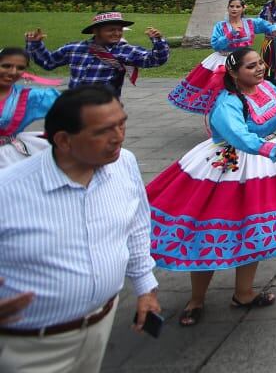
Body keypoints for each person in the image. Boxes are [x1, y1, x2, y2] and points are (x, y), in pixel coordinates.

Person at [145, 49, 276, 325]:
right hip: (227, 167)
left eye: (259, 63)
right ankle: (197, 298)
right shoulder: (227, 103)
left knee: (252, 229)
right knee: (208, 229)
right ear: (234, 73)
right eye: (251, 66)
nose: (259, 69)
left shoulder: (266, 87)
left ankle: (243, 292)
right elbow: (238, 135)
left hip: (262, 167)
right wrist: (273, 146)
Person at [0, 88, 160, 371]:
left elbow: (136, 224)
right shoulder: (8, 190)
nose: (118, 137)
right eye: (103, 131)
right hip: (26, 346)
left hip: (100, 327)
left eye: (122, 123)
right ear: (63, 140)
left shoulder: (125, 163)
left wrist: (145, 286)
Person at [168, 0, 276, 114]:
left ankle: (251, 113)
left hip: (244, 60)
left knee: (250, 87)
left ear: (243, 8)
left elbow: (266, 25)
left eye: (238, 6)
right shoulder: (220, 26)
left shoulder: (250, 23)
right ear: (228, 8)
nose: (234, 9)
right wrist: (229, 35)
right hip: (223, 60)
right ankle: (224, 116)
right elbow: (215, 45)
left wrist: (273, 29)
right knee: (223, 90)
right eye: (232, 6)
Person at [24, 12, 168, 96]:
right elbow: (48, 63)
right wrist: (35, 44)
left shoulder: (126, 50)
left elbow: (155, 60)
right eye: (111, 30)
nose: (117, 33)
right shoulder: (74, 48)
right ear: (95, 31)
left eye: (119, 29)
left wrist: (158, 41)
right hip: (74, 104)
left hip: (105, 107)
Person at [0, 47, 62, 169]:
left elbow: (72, 108)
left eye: (20, 68)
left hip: (5, 158)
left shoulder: (31, 97)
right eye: (6, 66)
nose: (13, 72)